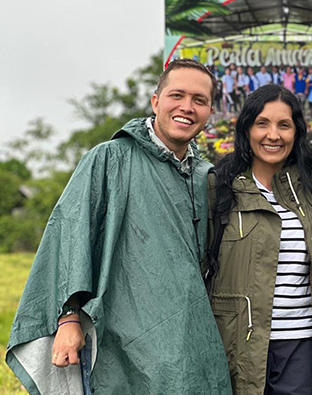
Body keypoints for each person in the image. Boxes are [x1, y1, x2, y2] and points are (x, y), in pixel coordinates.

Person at [6, 59, 232, 394]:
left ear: (210, 111)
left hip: (192, 340)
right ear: (156, 101)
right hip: (121, 339)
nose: (187, 107)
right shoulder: (110, 159)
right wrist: (68, 317)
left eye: (199, 100)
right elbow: (70, 234)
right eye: (177, 95)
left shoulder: (207, 178)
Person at [207, 85, 312, 395]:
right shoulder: (217, 191)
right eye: (262, 123)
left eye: (284, 125)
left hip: (300, 348)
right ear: (246, 129)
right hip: (233, 346)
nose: (273, 135)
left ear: (296, 133)